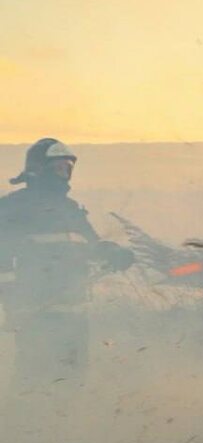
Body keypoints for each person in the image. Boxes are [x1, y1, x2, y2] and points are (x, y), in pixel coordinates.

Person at [0, 138, 133, 392]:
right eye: (58, 167)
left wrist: (113, 252)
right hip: (36, 314)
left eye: (67, 168)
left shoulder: (71, 209)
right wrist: (14, 303)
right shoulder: (14, 206)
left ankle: (63, 427)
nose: (65, 173)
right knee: (33, 381)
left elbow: (91, 244)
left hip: (74, 314)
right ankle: (23, 427)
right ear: (40, 168)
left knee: (71, 381)